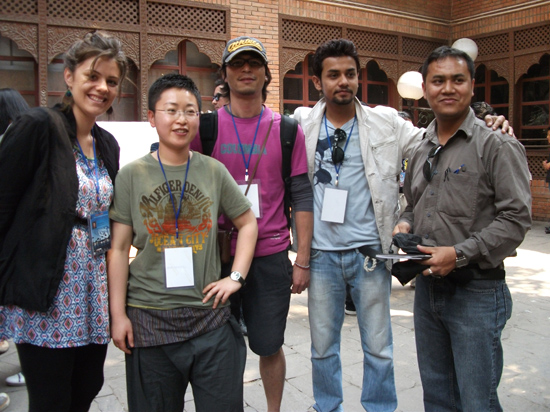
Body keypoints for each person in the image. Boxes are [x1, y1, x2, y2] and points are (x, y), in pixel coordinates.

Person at [293, 38, 513, 412]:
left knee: (379, 348)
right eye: (333, 75)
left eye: (350, 73)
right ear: (318, 82)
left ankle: (380, 408)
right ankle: (327, 406)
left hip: (371, 255)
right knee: (321, 347)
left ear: (358, 77)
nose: (343, 81)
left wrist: (487, 123)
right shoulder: (299, 124)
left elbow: (439, 142)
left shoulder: (387, 123)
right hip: (322, 256)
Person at [107, 73, 258, 412]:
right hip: (150, 319)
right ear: (151, 117)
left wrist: (235, 278)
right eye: (171, 110)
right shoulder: (131, 175)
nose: (181, 119)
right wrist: (118, 315)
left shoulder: (213, 171)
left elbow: (248, 223)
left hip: (209, 319)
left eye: (190, 111)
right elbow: (117, 249)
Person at [393, 46, 531, 411]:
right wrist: (405, 223)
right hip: (427, 290)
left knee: (477, 402)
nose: (448, 88)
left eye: (458, 79)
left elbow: (517, 219)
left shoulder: (497, 144)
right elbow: (413, 202)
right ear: (425, 88)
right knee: (437, 397)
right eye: (438, 81)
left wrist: (460, 253)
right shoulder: (420, 147)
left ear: (472, 86)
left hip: (477, 294)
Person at [0, 31, 128, 412]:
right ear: (69, 76)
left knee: (87, 387)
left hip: (92, 289)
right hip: (48, 290)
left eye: (111, 81)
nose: (102, 88)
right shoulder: (39, 126)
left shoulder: (107, 143)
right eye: (93, 76)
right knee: (51, 399)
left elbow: (106, 214)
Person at [191, 36, 313, 412]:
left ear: (266, 74)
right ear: (225, 74)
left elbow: (303, 197)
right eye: (238, 63)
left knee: (268, 344)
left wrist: (302, 260)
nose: (246, 70)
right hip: (217, 257)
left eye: (254, 63)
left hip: (270, 256)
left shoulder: (287, 129)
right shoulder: (205, 127)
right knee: (218, 347)